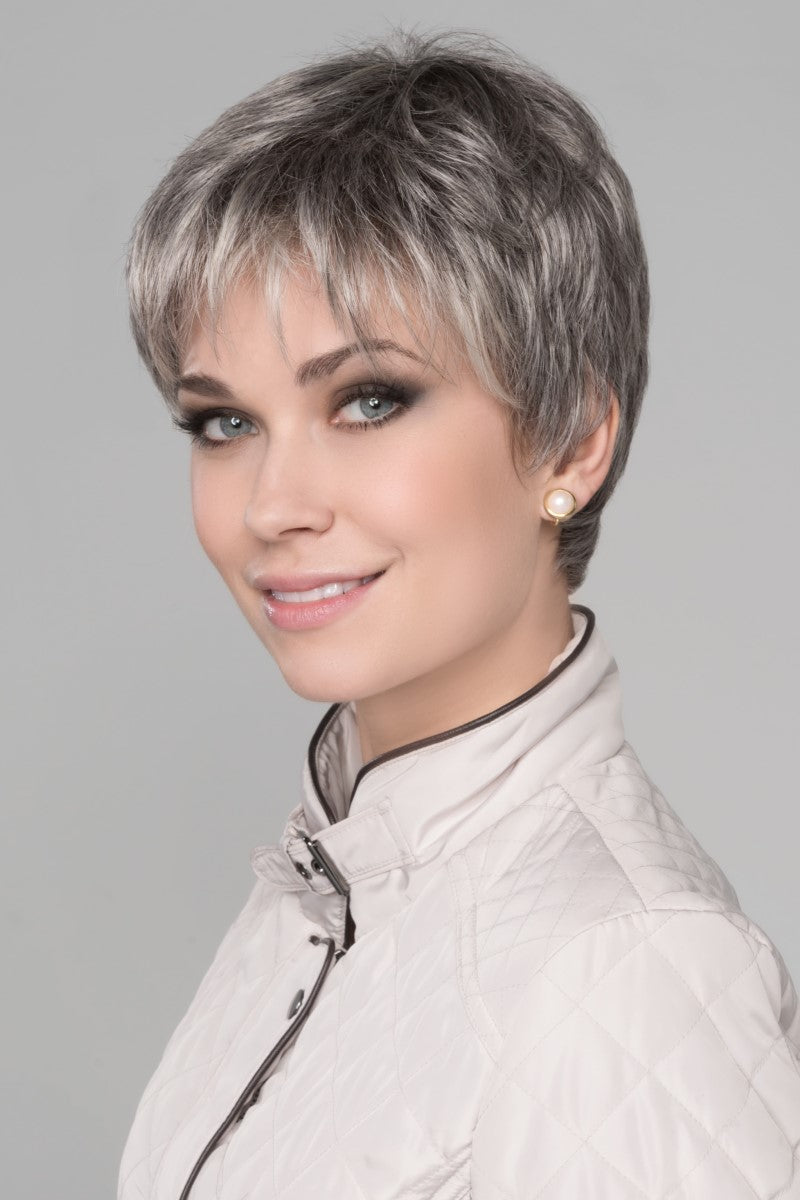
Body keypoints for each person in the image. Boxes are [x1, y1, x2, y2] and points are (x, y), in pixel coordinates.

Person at [117, 26, 800, 1200]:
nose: (271, 505)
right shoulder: (325, 891)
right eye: (223, 422)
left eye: (368, 401)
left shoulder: (619, 966)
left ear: (570, 442)